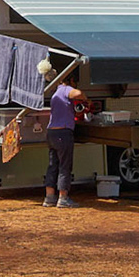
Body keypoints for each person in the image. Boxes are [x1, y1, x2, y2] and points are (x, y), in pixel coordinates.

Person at [42, 76, 88, 209]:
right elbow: (78, 94)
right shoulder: (65, 89)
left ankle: (49, 197)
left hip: (51, 133)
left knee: (53, 165)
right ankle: (63, 197)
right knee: (65, 166)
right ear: (70, 81)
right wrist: (85, 97)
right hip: (63, 132)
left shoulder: (55, 92)